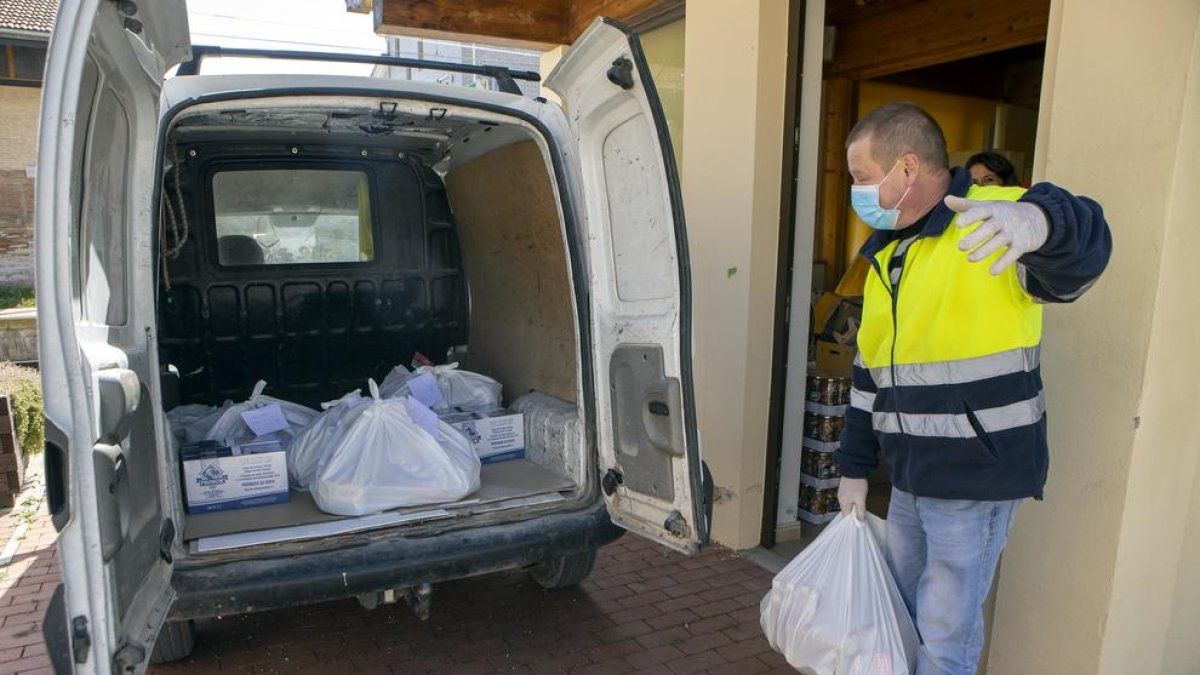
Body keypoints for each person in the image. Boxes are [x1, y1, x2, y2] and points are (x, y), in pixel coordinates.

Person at [834, 102, 1111, 675]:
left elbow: (1087, 237)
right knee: (905, 614)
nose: (856, 192)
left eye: (861, 177)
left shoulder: (991, 218)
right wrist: (855, 468)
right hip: (910, 476)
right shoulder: (890, 254)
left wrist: (1043, 224)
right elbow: (869, 379)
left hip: (975, 480)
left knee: (945, 633)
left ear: (906, 170)